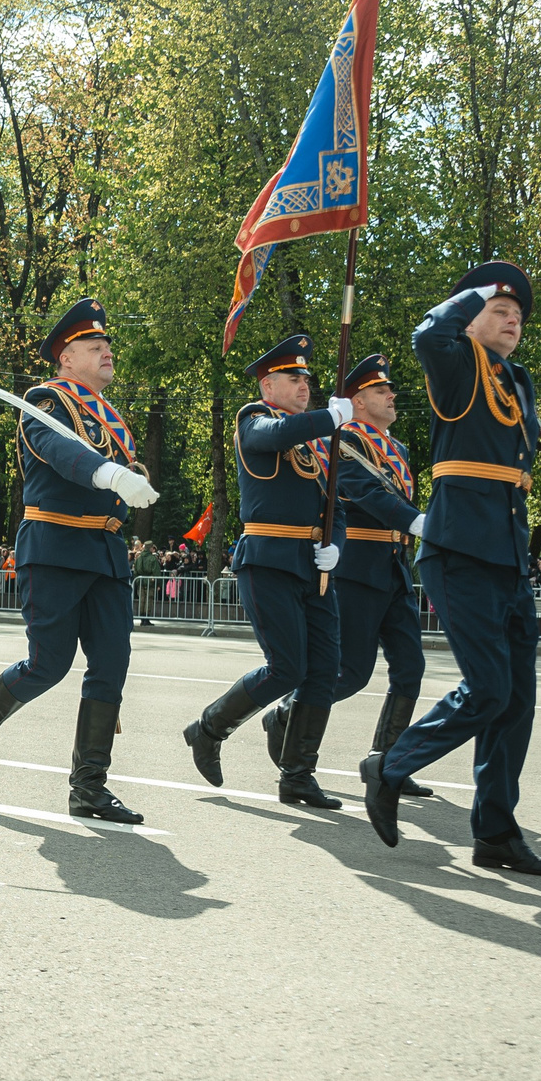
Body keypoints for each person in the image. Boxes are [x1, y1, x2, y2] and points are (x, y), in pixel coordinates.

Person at [359, 262, 541, 876]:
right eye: (499, 311)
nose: (511, 322)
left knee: (517, 701)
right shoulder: (457, 365)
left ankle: (496, 831)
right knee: (490, 687)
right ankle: (391, 764)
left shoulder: (516, 379)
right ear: (470, 317)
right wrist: (471, 296)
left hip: (507, 553)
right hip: (458, 549)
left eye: (518, 315)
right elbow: (427, 338)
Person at [0, 298, 160, 825]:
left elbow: (112, 470)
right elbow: (62, 454)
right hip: (58, 547)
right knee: (49, 664)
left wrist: (129, 475)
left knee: (111, 667)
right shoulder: (44, 401)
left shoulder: (114, 422)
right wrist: (111, 475)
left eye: (108, 344)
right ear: (66, 358)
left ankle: (89, 787)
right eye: (96, 346)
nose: (107, 352)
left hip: (106, 554)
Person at [183, 332, 354, 808]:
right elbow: (276, 437)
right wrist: (330, 418)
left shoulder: (319, 444)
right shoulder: (252, 419)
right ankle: (210, 727)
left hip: (313, 568)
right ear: (267, 386)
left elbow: (333, 509)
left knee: (324, 671)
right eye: (293, 377)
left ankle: (298, 774)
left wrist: (335, 547)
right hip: (269, 560)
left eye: (307, 378)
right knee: (287, 668)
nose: (304, 384)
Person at [265, 351, 435, 797]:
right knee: (352, 672)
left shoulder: (395, 447)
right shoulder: (344, 441)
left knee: (411, 668)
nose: (391, 395)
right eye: (381, 390)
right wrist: (418, 522)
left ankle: (389, 761)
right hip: (360, 570)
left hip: (395, 569)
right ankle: (286, 712)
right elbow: (365, 493)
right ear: (358, 401)